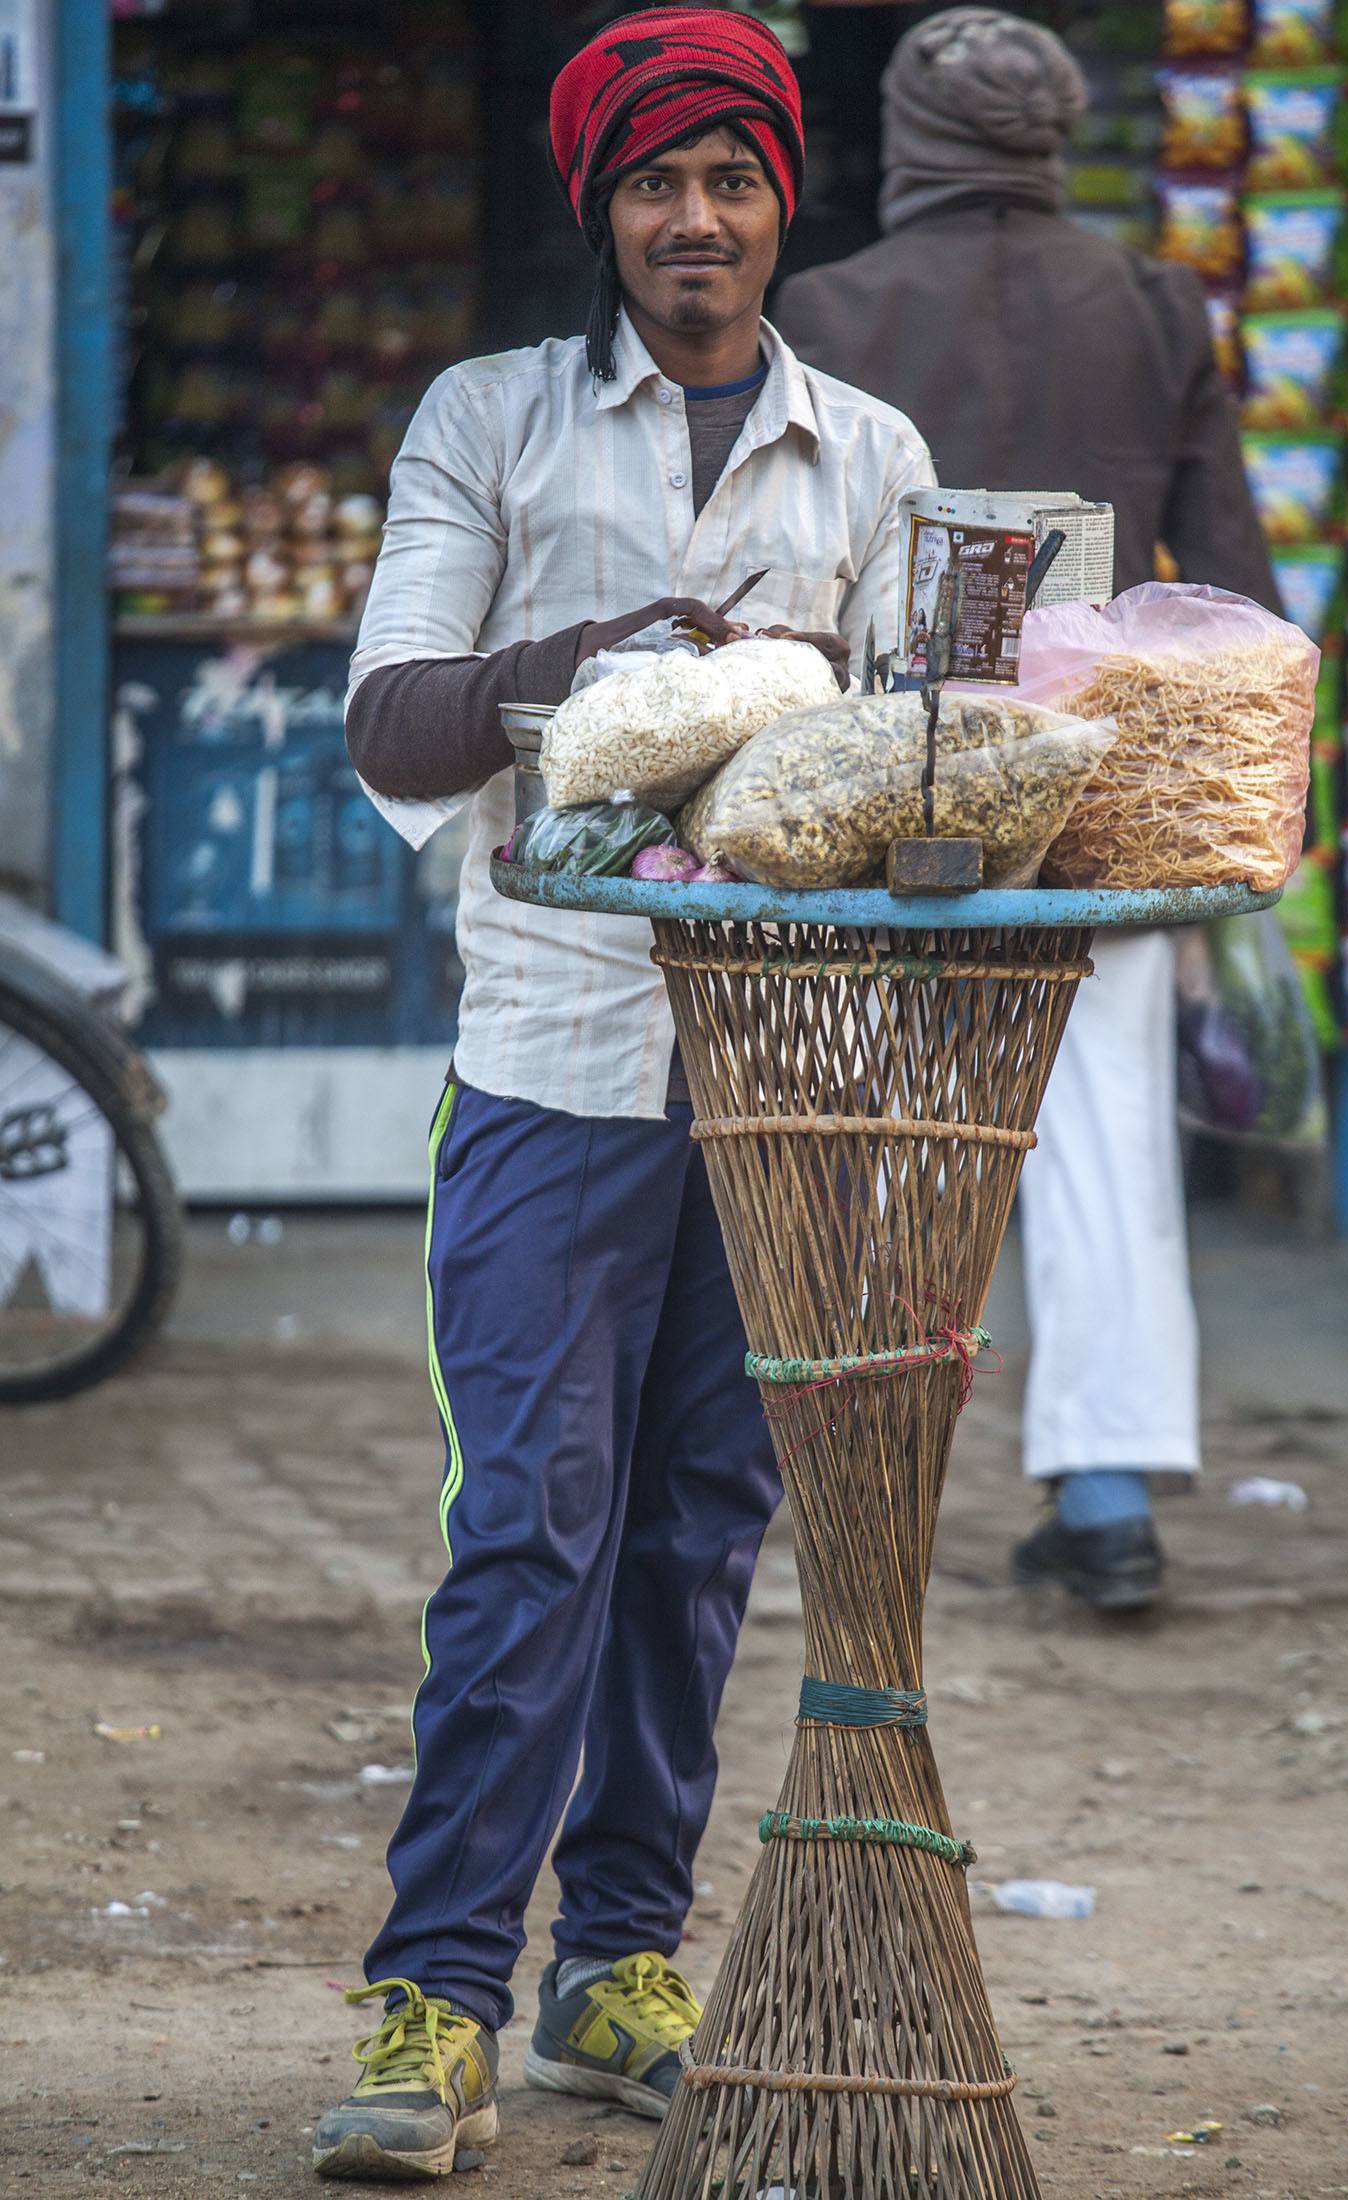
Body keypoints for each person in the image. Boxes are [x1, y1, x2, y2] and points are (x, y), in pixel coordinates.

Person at [310, 8, 932, 2181]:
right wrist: (576, 677)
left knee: (694, 1536)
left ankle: (620, 1965)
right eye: (656, 183)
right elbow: (391, 724)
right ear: (601, 208)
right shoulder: (489, 421)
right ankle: (437, 1987)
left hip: (778, 1084)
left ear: (783, 204)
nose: (695, 220)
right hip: (554, 1066)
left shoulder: (869, 455)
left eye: (730, 181)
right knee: (533, 1527)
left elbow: (925, 763)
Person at [777, 5, 1282, 1614]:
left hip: (888, 791)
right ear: (1054, 134)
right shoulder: (1148, 303)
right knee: (1106, 1146)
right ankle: (1112, 1497)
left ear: (909, 140)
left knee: (880, 1137)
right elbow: (1235, 592)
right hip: (1101, 798)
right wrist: (1251, 811)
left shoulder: (828, 306)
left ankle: (864, 1479)